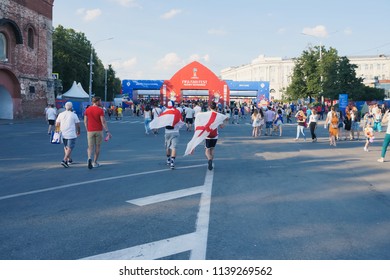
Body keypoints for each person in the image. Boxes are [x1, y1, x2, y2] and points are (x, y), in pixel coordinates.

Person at [84, 96, 111, 169]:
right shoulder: (100, 110)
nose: (101, 102)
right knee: (97, 146)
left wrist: (87, 129)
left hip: (90, 131)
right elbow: (103, 122)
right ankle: (95, 162)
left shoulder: (87, 110)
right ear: (97, 102)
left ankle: (89, 158)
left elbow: (85, 121)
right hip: (98, 130)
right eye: (100, 101)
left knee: (90, 147)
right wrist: (107, 131)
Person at [55, 102, 81, 168]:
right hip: (71, 133)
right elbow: (78, 124)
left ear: (65, 107)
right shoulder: (73, 115)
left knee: (66, 147)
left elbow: (57, 124)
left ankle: (69, 159)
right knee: (70, 147)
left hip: (63, 133)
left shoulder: (61, 114)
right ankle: (64, 160)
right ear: (71, 107)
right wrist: (78, 131)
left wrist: (57, 132)